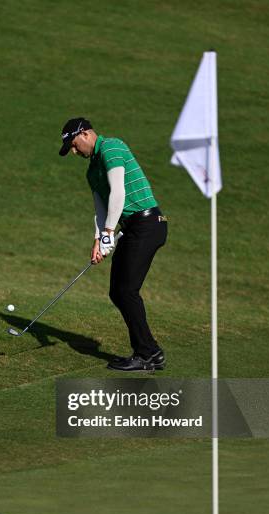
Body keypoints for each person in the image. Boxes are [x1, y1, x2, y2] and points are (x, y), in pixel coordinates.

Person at [59, 117, 167, 373]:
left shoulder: (112, 147)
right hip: (131, 228)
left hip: (148, 224)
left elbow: (118, 192)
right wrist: (99, 239)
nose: (75, 152)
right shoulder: (91, 170)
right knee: (118, 292)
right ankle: (150, 352)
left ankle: (147, 354)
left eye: (74, 145)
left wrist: (109, 232)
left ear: (85, 134)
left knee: (127, 291)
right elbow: (101, 208)